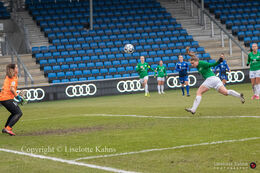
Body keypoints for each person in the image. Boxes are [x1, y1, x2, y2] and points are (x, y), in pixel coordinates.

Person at [185, 47, 245, 114]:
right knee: (225, 92)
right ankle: (239, 95)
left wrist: (219, 60)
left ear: (197, 61)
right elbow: (194, 57)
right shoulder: (197, 64)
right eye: (191, 64)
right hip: (215, 79)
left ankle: (193, 109)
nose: (192, 65)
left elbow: (212, 65)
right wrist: (188, 52)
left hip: (211, 79)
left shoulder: (202, 63)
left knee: (199, 92)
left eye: (193, 63)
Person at [0, 64, 23, 136]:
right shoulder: (14, 77)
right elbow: (12, 89)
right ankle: (8, 128)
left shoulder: (8, 76)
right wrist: (18, 96)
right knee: (18, 113)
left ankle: (5, 128)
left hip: (3, 98)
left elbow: (9, 88)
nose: (17, 68)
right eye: (16, 67)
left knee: (14, 113)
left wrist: (16, 93)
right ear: (13, 69)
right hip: (7, 98)